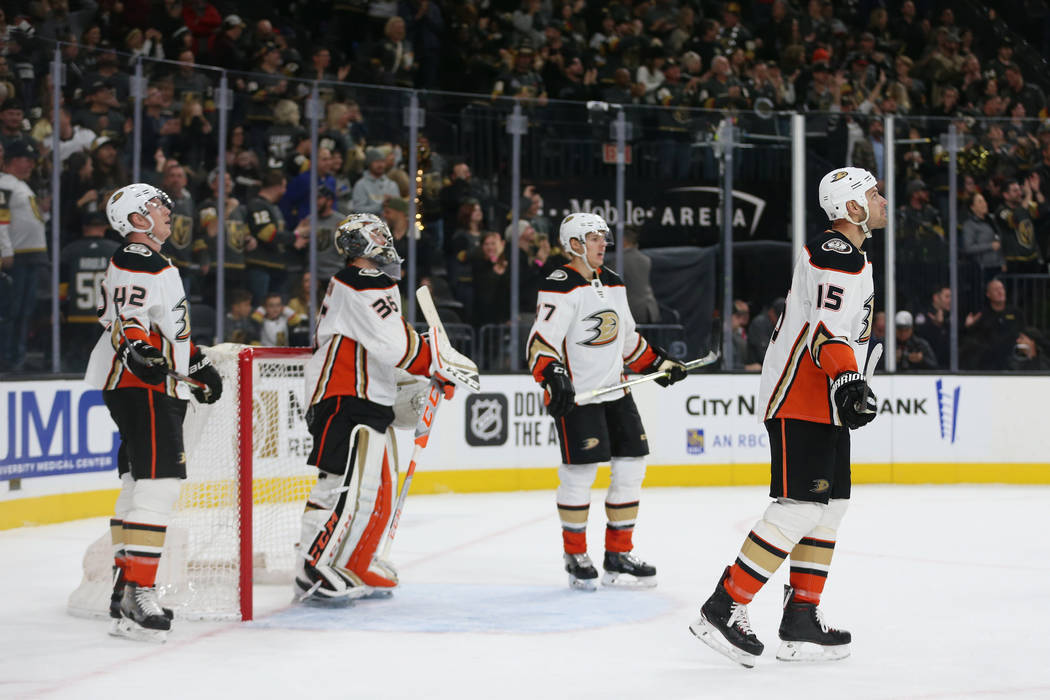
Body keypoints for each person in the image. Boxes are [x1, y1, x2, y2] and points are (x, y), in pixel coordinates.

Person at [690, 167, 884, 667]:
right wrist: (848, 379)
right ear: (854, 209)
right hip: (802, 396)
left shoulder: (850, 255)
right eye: (874, 194)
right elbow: (825, 330)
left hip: (822, 399)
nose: (883, 200)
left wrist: (847, 380)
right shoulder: (834, 252)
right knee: (800, 506)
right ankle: (724, 605)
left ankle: (801, 616)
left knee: (831, 504)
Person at [83, 183, 223, 641]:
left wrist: (194, 363)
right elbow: (132, 325)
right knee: (159, 485)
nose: (168, 212)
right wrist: (144, 353)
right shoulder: (139, 259)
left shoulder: (147, 261)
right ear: (137, 219)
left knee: (136, 484)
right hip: (142, 386)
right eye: (158, 206)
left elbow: (159, 327)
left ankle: (125, 587)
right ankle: (140, 590)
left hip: (138, 383)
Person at [295, 212, 457, 604]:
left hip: (367, 396)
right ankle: (312, 567)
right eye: (379, 235)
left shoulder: (371, 284)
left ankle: (356, 558)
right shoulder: (361, 281)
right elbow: (394, 343)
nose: (387, 240)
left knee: (377, 490)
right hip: (344, 395)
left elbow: (385, 344)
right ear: (360, 244)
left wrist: (424, 372)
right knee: (339, 484)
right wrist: (436, 361)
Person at [526, 212, 688, 592]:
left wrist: (660, 362)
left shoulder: (613, 282)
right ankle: (575, 554)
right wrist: (553, 376)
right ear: (575, 244)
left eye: (603, 237)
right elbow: (540, 342)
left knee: (632, 467)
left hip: (616, 392)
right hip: (579, 397)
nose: (603, 244)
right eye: (595, 238)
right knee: (579, 474)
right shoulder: (560, 284)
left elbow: (628, 340)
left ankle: (618, 554)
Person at [0, 139, 47, 372]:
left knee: (24, 310)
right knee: (12, 310)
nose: (30, 164)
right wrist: (6, 250)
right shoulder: (5, 184)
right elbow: (1, 219)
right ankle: (8, 357)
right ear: (12, 161)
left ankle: (17, 355)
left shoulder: (20, 185)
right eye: (25, 159)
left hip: (30, 255)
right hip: (17, 256)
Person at [59, 211, 120, 372]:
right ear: (105, 227)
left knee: (77, 362)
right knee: (107, 361)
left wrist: (61, 308)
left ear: (84, 227)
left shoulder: (70, 251)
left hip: (76, 315)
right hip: (106, 317)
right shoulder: (115, 251)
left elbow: (62, 286)